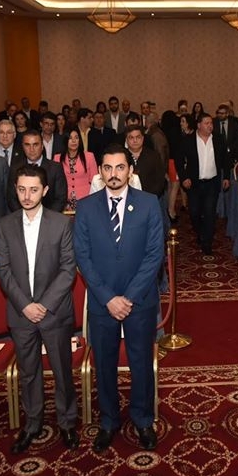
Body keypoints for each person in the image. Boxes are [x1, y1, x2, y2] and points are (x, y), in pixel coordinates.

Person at [74, 143, 166, 452]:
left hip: (139, 300)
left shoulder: (149, 203)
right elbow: (83, 257)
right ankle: (109, 420)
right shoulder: (86, 207)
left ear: (130, 170)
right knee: (104, 363)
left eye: (120, 167)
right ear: (100, 171)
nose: (114, 174)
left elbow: (154, 254)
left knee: (141, 362)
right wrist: (108, 298)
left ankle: (143, 419)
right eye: (108, 168)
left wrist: (128, 297)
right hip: (102, 302)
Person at [0, 164, 81, 452]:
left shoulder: (61, 223)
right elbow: (3, 271)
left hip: (54, 312)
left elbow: (68, 269)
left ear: (44, 191)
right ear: (15, 189)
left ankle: (67, 422)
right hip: (21, 313)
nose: (27, 195)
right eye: (22, 189)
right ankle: (32, 423)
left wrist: (43, 305)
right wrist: (25, 306)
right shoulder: (5, 225)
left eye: (33, 190)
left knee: (62, 371)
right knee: (28, 372)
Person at [179, 112, 230, 255]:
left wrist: (226, 177)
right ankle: (201, 232)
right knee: (194, 212)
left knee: (209, 213)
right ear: (199, 125)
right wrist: (184, 178)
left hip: (212, 183)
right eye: (206, 123)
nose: (210, 126)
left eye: (211, 123)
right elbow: (179, 160)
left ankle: (207, 242)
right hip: (194, 183)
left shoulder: (218, 139)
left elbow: (226, 159)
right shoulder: (188, 140)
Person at [12, 130, 69, 213]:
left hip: (50, 217)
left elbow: (61, 198)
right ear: (22, 147)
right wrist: (26, 216)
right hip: (22, 218)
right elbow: (12, 198)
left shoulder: (55, 168)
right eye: (27, 145)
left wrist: (45, 217)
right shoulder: (15, 168)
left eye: (35, 145)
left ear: (42, 146)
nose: (31, 149)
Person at [125, 125, 168, 221]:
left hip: (151, 199)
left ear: (143, 138)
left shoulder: (153, 156)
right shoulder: (122, 157)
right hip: (127, 202)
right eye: (131, 138)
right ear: (126, 140)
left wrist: (148, 198)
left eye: (138, 137)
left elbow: (160, 180)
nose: (135, 140)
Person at [55, 128, 97, 209]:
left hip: (86, 199)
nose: (74, 141)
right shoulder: (57, 158)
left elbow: (95, 181)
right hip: (64, 201)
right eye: (70, 138)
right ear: (66, 140)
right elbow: (57, 184)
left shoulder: (89, 156)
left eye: (76, 138)